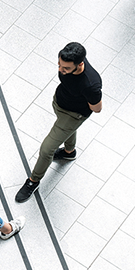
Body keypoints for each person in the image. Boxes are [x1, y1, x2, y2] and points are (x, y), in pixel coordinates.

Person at [15, 42, 103, 204]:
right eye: (59, 66)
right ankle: (69, 152)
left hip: (73, 115)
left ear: (80, 64)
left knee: (47, 148)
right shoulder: (72, 58)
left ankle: (33, 181)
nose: (61, 70)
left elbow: (97, 108)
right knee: (67, 131)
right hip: (60, 103)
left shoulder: (91, 85)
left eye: (66, 69)